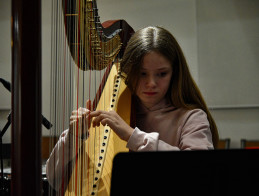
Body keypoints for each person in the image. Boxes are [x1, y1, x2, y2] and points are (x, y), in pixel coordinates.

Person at [46, 26, 219, 190]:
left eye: (162, 74)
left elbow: (201, 173)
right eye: (142, 73)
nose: (151, 83)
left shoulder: (192, 118)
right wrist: (73, 137)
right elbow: (53, 179)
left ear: (175, 73)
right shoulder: (113, 112)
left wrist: (132, 136)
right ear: (128, 71)